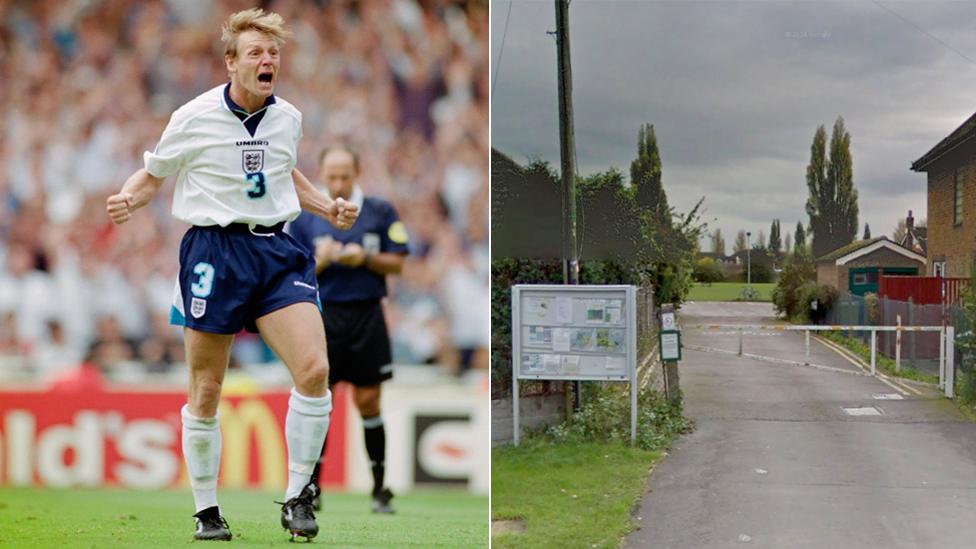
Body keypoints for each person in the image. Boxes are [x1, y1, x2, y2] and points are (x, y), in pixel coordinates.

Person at [105, 8, 357, 542]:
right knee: (207, 387)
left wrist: (324, 207)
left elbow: (285, 170)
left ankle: (297, 497)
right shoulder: (193, 116)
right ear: (231, 63)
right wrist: (128, 198)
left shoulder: (287, 116)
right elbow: (153, 175)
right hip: (213, 253)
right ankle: (206, 510)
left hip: (275, 249)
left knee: (313, 370)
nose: (267, 61)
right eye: (255, 53)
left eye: (273, 53)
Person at [289, 146, 408, 514]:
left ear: (357, 172)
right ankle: (313, 488)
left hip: (367, 314)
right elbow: (293, 272)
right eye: (332, 175)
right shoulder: (305, 217)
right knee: (319, 402)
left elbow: (399, 263)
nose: (338, 182)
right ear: (321, 175)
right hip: (320, 317)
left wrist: (366, 258)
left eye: (345, 175)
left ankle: (379, 490)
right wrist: (319, 262)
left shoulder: (379, 211)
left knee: (369, 401)